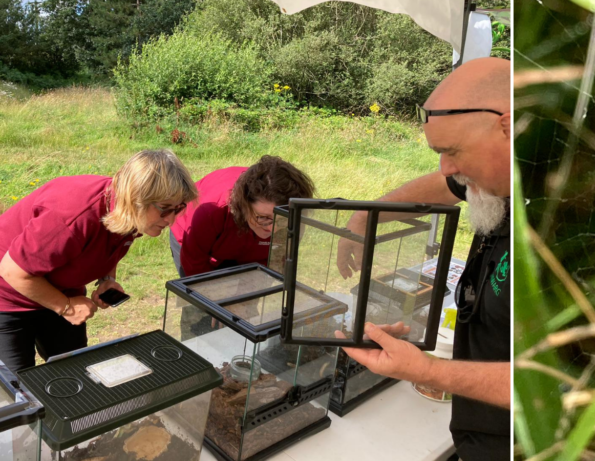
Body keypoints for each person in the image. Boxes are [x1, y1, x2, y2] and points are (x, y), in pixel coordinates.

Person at [334, 57, 510, 461]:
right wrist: (364, 218)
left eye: (452, 150)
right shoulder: (494, 182)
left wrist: (426, 370)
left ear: (507, 125)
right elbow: (439, 186)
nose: (447, 168)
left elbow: (551, 383)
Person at [0, 150, 197, 371]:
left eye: (178, 209)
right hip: (8, 295)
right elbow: (11, 271)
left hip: (61, 289)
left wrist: (106, 278)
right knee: (15, 389)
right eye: (165, 209)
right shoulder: (73, 215)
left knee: (73, 373)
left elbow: (110, 242)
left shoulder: (130, 213)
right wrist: (66, 307)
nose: (171, 220)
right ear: (136, 198)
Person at [169, 155, 315, 277]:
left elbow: (274, 265)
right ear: (244, 205)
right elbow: (195, 268)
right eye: (263, 217)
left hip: (241, 246)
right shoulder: (212, 210)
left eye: (283, 218)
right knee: (201, 307)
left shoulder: (293, 220)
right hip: (194, 236)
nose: (273, 228)